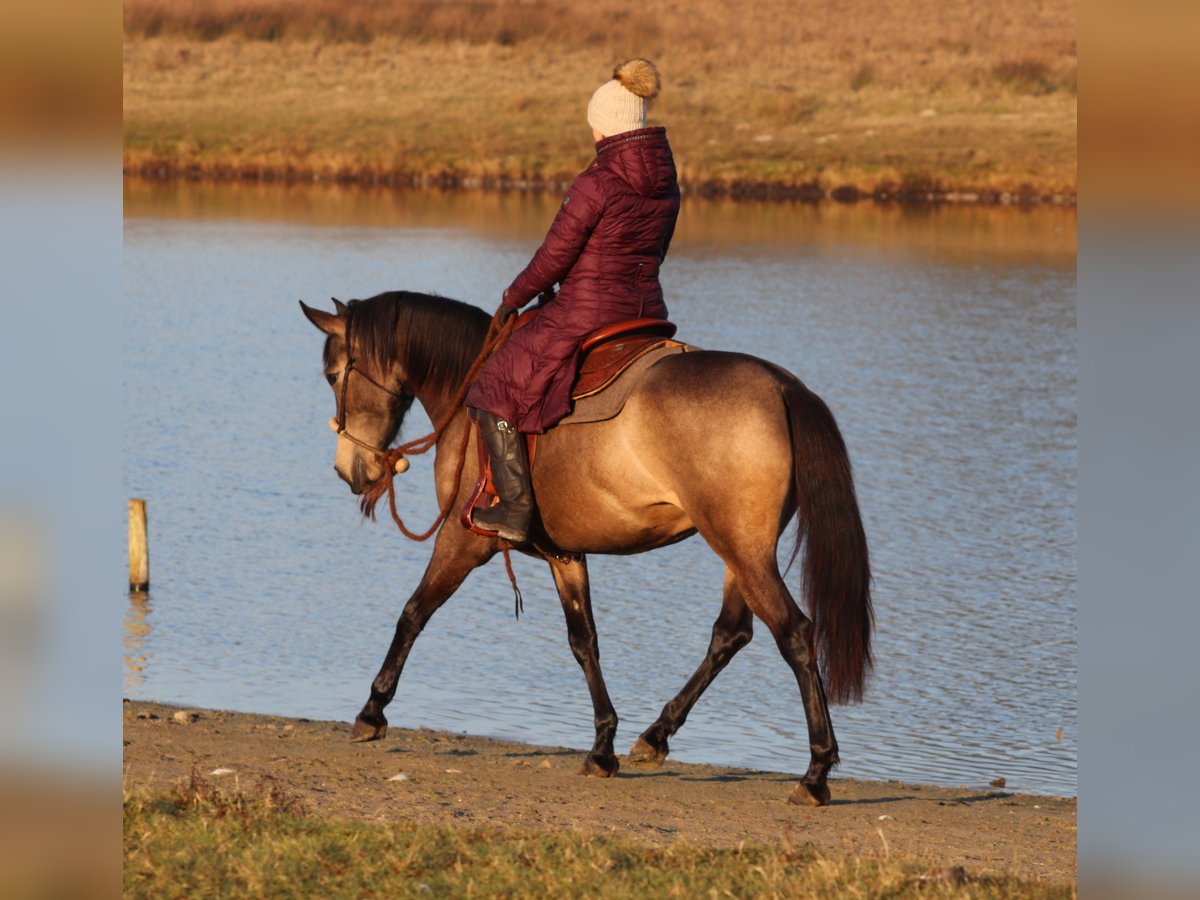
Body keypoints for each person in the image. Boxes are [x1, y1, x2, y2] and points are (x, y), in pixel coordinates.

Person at [465, 58, 681, 545]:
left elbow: (554, 257)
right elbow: (656, 249)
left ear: (605, 126)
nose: (593, 136)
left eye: (594, 127)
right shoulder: (666, 180)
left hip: (587, 311)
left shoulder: (596, 182)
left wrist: (511, 299)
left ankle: (515, 508)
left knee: (495, 382)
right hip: (648, 313)